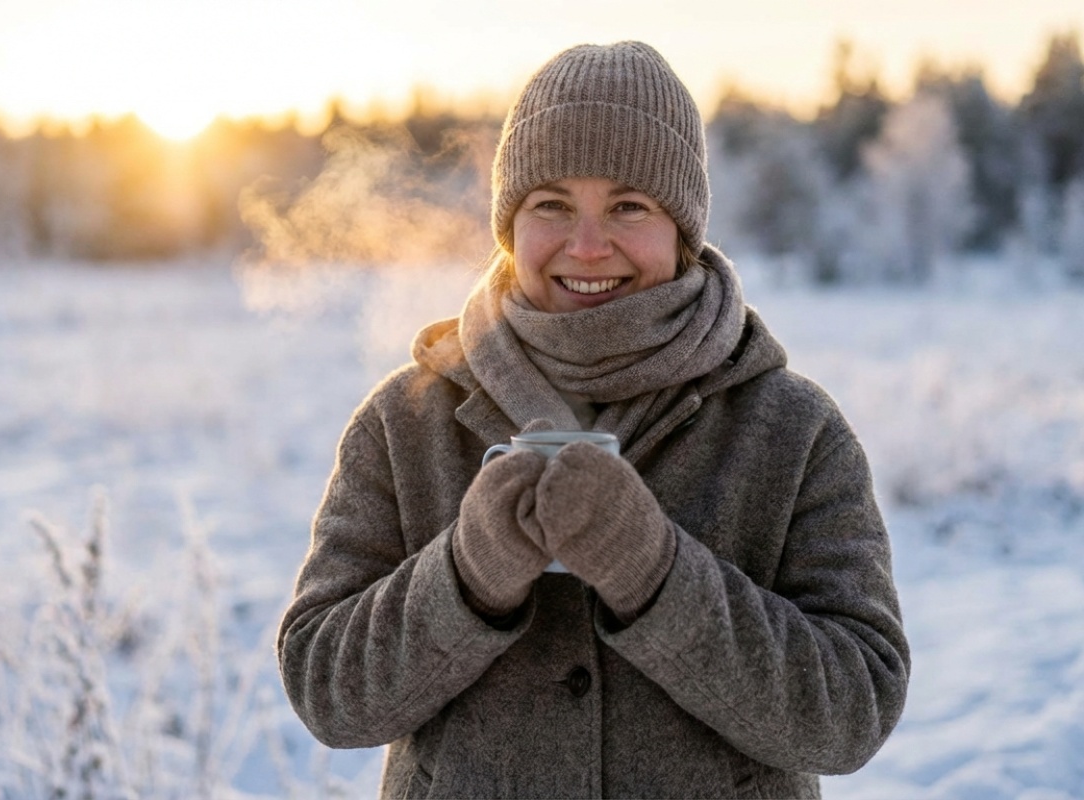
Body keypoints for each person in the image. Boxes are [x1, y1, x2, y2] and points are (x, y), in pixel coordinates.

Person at [278, 40, 909, 799]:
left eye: (628, 207)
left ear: (683, 227)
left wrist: (657, 574)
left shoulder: (793, 430)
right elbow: (326, 691)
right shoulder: (405, 422)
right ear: (510, 225)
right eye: (551, 205)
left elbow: (853, 711)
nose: (586, 245)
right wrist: (466, 576)